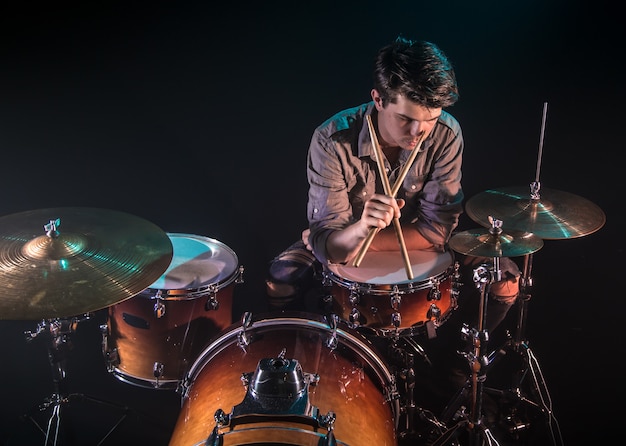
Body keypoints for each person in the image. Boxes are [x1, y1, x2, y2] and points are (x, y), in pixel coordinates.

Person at [265, 36, 521, 333]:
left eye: (430, 120)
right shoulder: (331, 139)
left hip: (407, 237)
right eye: (405, 119)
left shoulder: (446, 134)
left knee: (505, 278)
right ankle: (302, 358)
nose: (419, 132)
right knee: (280, 278)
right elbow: (328, 243)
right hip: (352, 236)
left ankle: (457, 372)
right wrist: (358, 229)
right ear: (378, 99)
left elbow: (438, 230)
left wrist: (363, 240)